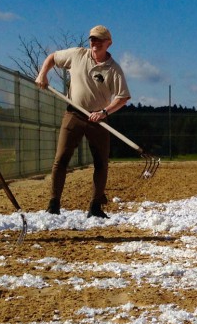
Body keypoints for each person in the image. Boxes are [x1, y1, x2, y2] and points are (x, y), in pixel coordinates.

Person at [35, 25, 131, 218]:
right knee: (61, 159)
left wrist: (104, 112)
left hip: (98, 119)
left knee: (101, 163)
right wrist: (42, 74)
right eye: (92, 39)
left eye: (98, 39)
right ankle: (53, 204)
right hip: (74, 114)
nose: (94, 43)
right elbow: (53, 57)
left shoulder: (114, 69)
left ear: (108, 43)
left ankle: (95, 206)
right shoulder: (77, 55)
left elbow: (122, 98)